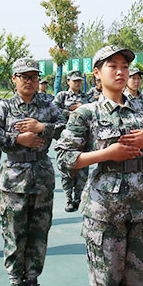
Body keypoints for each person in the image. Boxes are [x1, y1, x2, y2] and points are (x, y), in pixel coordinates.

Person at [55, 45, 143, 286]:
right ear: (97, 74)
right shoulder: (86, 114)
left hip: (139, 208)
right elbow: (64, 158)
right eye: (112, 66)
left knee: (134, 284)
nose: (120, 72)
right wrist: (107, 154)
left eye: (124, 67)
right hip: (104, 212)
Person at [0, 58, 66, 286]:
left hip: (41, 176)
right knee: (14, 234)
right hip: (14, 179)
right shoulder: (4, 107)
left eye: (33, 77)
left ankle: (32, 283)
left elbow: (67, 128)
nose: (29, 81)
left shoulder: (48, 107)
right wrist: (16, 139)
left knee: (39, 234)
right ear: (14, 79)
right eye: (24, 76)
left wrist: (41, 128)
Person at [53, 69, 90, 212]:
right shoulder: (62, 96)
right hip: (66, 140)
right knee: (66, 171)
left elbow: (93, 111)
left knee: (82, 171)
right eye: (75, 81)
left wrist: (81, 108)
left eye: (79, 81)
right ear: (68, 81)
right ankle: (68, 198)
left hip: (82, 140)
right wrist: (69, 112)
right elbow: (53, 109)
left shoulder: (86, 97)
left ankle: (78, 198)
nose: (77, 83)